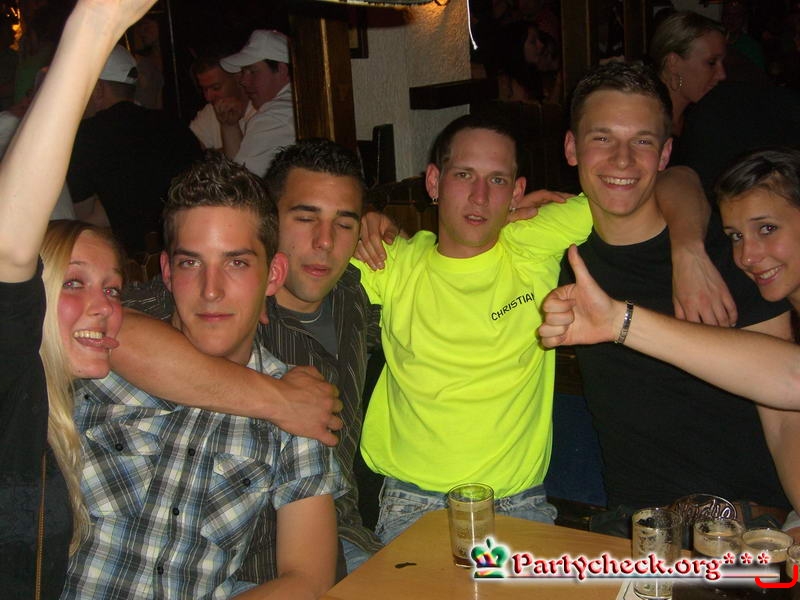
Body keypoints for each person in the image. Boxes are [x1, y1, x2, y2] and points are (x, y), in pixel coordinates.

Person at [351, 109, 718, 544]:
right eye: (464, 175)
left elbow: (671, 181)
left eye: (497, 180)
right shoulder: (393, 261)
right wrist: (360, 216)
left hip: (518, 504)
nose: (480, 196)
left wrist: (689, 248)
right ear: (434, 182)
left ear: (517, 191)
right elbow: (302, 259)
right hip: (414, 502)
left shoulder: (531, 241)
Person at [61, 153, 343, 598]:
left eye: (236, 263)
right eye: (191, 263)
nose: (211, 291)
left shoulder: (301, 407)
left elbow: (307, 578)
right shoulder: (98, 359)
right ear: (167, 273)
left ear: (273, 275)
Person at [115, 139, 383, 575]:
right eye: (305, 218)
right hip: (241, 564)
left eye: (344, 223)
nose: (324, 242)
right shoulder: (222, 304)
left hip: (343, 534)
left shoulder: (355, 292)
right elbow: (111, 328)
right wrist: (279, 400)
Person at [557, 61, 795, 519]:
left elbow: (786, 412)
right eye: (602, 138)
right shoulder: (552, 253)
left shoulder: (728, 253)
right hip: (636, 524)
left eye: (642, 141)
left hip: (746, 517)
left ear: (664, 154)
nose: (622, 159)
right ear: (572, 148)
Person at [0, 1, 158, 597]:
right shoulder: (12, 384)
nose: (106, 306)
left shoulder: (68, 409)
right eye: (74, 282)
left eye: (113, 289)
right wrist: (95, 24)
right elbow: (7, 245)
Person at [67, 44, 202, 255]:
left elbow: (82, 219)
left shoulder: (85, 136)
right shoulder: (173, 124)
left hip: (130, 261)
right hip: (189, 247)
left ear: (98, 89)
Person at [218, 29, 295, 177]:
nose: (243, 81)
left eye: (252, 72)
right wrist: (230, 126)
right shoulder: (292, 105)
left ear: (282, 70)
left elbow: (240, 185)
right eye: (243, 72)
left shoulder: (274, 116)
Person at [649, 11, 727, 137]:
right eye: (711, 63)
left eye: (722, 63)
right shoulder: (644, 123)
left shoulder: (703, 118)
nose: (722, 74)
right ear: (673, 62)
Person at [188, 51, 255, 150]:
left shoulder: (262, 110)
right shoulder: (210, 111)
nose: (208, 97)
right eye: (204, 89)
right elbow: (189, 151)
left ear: (238, 77)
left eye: (216, 88)